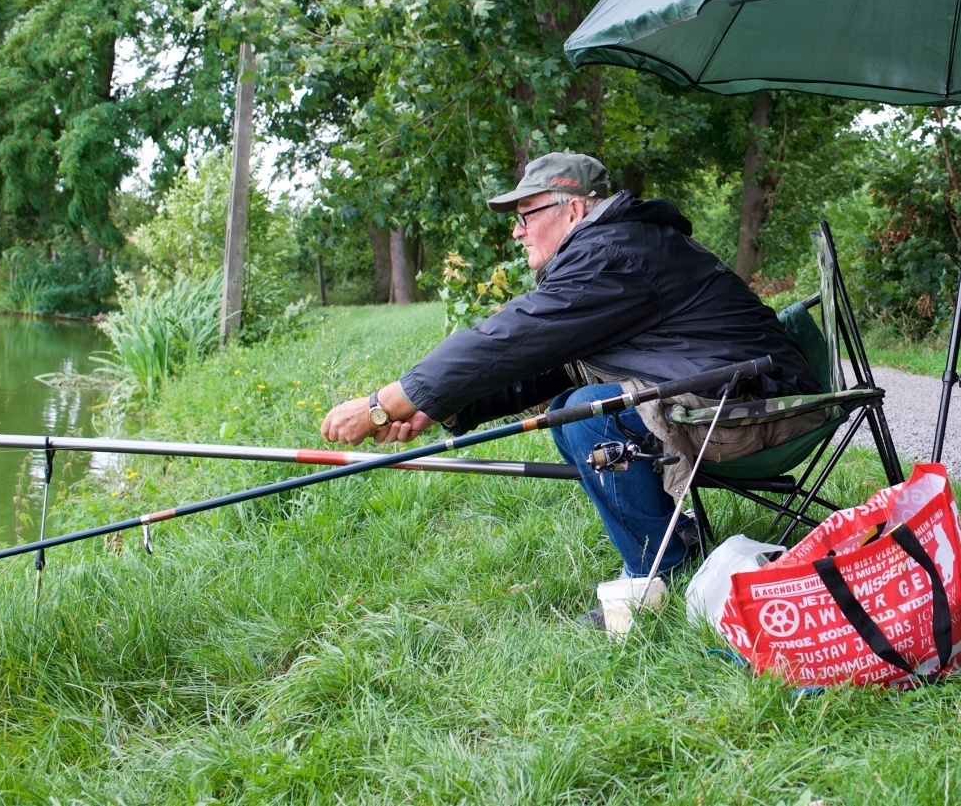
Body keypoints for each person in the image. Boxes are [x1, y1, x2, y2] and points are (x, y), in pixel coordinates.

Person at [319, 151, 822, 589]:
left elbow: (512, 335)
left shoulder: (612, 253)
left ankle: (659, 572)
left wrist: (386, 403)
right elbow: (552, 362)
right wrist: (442, 408)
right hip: (747, 392)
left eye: (525, 215)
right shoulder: (620, 246)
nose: (516, 231)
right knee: (570, 406)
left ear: (574, 208)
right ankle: (672, 541)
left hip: (762, 408)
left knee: (585, 414)